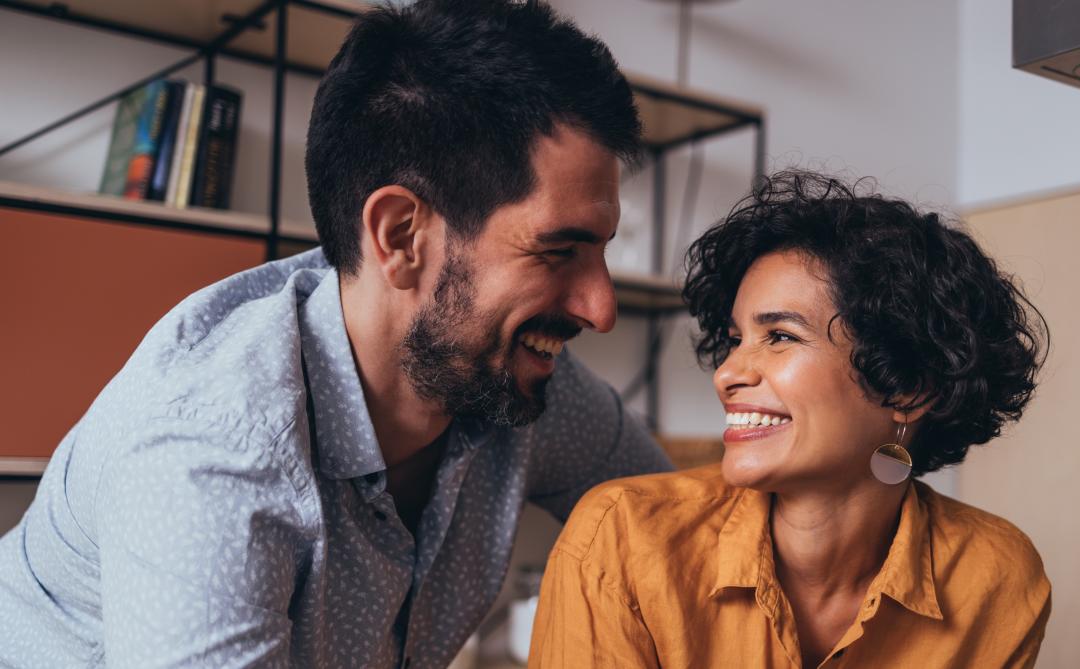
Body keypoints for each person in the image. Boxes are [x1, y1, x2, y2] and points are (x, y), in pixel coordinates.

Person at [0, 2, 671, 667]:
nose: (601, 307)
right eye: (560, 251)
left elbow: (682, 526)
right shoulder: (213, 451)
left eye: (602, 251)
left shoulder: (501, 375)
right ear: (401, 236)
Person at [529, 170, 1052, 668]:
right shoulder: (622, 540)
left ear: (908, 386)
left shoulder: (995, 574)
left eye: (779, 336)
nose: (727, 373)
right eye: (735, 341)